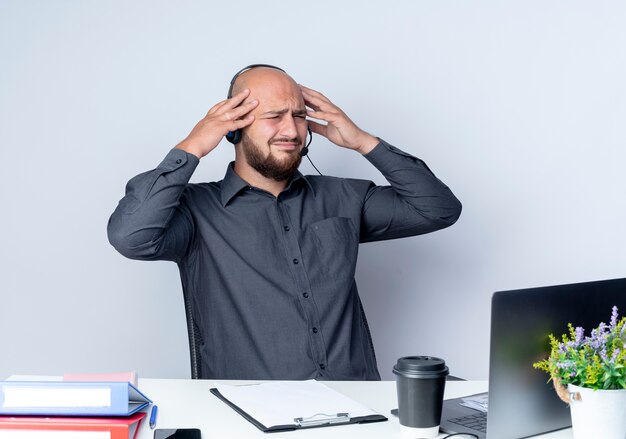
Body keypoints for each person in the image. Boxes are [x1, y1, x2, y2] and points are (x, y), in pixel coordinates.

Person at [107, 65, 462, 380]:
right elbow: (130, 236)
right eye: (274, 116)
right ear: (233, 129)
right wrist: (192, 147)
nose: (291, 130)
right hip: (245, 418)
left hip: (358, 412)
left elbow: (438, 209)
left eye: (299, 115)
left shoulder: (344, 198)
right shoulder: (195, 210)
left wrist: (362, 142)